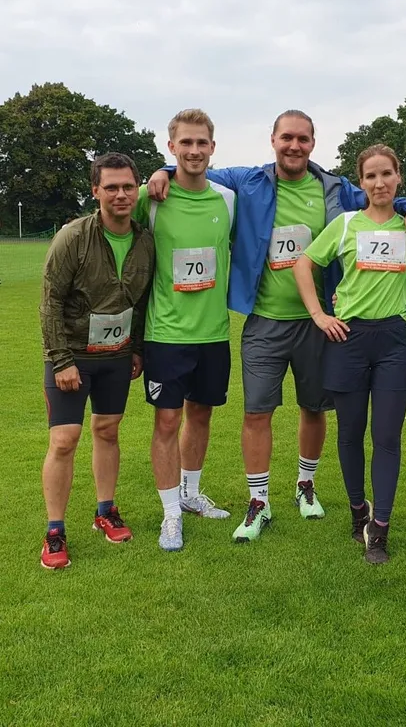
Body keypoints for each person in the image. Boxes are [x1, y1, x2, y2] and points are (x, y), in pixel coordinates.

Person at [147, 111, 406, 543]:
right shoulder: (247, 181)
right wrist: (162, 170)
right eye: (287, 137)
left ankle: (306, 485)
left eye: (303, 139)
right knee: (256, 412)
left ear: (313, 143)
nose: (294, 145)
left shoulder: (334, 188)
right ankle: (259, 501)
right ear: (273, 140)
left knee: (314, 408)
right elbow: (196, 166)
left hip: (320, 324)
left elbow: (382, 193)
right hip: (264, 318)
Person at [293, 145, 406, 565]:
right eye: (371, 176)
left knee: (387, 437)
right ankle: (357, 511)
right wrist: (319, 315)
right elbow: (303, 264)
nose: (379, 183)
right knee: (350, 432)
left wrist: (395, 296)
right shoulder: (346, 223)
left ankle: (380, 528)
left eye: (386, 174)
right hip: (348, 338)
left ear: (398, 177)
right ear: (361, 182)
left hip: (394, 340)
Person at [39, 153, 155, 569]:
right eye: (111, 187)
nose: (121, 194)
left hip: (117, 355)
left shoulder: (146, 241)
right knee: (64, 440)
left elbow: (142, 301)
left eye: (128, 187)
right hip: (72, 355)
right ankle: (55, 531)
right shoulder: (72, 237)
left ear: (137, 189)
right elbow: (50, 301)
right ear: (95, 191)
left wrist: (136, 348)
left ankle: (106, 511)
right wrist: (61, 360)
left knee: (107, 431)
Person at [135, 109, 235, 552]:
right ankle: (170, 514)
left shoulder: (228, 200)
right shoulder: (151, 197)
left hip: (213, 333)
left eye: (202, 143)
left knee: (201, 415)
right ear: (171, 146)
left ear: (213, 147)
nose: (194, 151)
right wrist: (158, 173)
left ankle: (191, 494)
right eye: (186, 143)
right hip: (166, 333)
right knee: (167, 421)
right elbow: (111, 213)